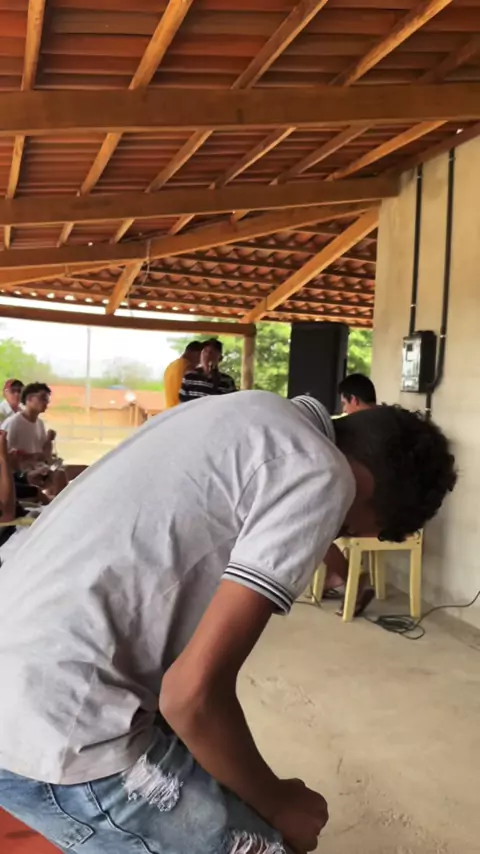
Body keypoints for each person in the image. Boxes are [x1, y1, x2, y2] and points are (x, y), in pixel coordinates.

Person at [0, 393, 456, 854]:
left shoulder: (243, 413)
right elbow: (191, 697)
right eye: (344, 529)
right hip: (54, 720)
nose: (329, 540)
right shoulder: (324, 473)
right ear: (367, 486)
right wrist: (278, 803)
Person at [179, 338, 236, 402]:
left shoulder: (227, 381)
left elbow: (232, 403)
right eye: (205, 351)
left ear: (220, 358)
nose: (207, 355)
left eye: (212, 353)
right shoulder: (189, 377)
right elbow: (183, 402)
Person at [163, 341, 203, 409]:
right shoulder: (188, 368)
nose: (200, 362)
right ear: (196, 353)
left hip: (169, 410)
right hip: (181, 409)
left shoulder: (171, 366)